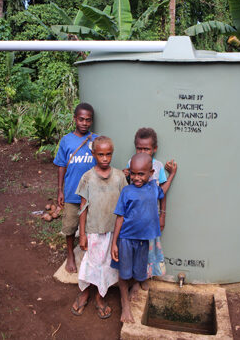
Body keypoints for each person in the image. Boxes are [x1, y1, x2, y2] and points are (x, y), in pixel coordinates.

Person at [71, 136, 127, 318]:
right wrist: (82, 234)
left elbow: (124, 205)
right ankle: (85, 292)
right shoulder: (87, 178)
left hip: (112, 231)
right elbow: (83, 207)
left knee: (106, 265)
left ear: (112, 154)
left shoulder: (119, 177)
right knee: (91, 263)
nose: (105, 158)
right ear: (93, 154)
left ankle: (99, 296)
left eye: (108, 154)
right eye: (100, 154)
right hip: (93, 231)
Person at [111, 153, 165, 323]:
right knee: (124, 273)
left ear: (151, 172)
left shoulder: (154, 188)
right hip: (126, 239)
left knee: (139, 269)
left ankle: (136, 285)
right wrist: (114, 243)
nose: (136, 177)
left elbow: (164, 191)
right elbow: (119, 217)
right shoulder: (127, 191)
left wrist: (172, 176)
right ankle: (124, 303)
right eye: (133, 173)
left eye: (141, 174)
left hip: (143, 240)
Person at [123, 127, 177, 287]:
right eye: (139, 148)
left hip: (150, 218)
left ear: (154, 149)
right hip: (133, 218)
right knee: (134, 250)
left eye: (146, 148)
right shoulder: (131, 163)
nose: (143, 151)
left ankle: (144, 278)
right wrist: (125, 175)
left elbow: (161, 192)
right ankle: (134, 280)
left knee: (148, 250)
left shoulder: (158, 166)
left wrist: (163, 214)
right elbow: (127, 189)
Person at [54, 102, 97, 273]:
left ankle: (89, 256)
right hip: (72, 193)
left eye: (88, 120)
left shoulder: (96, 140)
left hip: (92, 195)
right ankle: (70, 254)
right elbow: (61, 165)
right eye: (81, 119)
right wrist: (60, 189)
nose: (84, 123)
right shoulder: (67, 140)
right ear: (75, 119)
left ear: (91, 121)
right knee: (70, 226)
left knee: (91, 227)